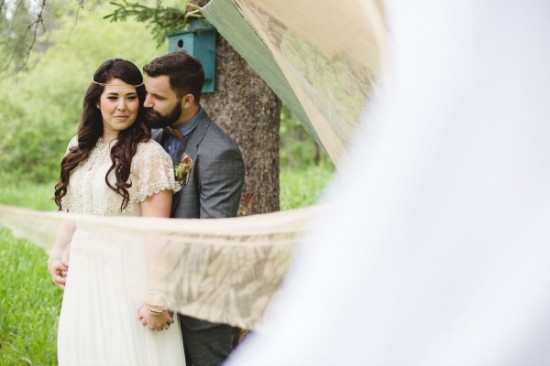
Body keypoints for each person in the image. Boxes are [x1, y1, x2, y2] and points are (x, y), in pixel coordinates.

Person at [48, 58, 186, 365]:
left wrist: (156, 297)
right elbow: (74, 207)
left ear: (140, 101)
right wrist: (57, 252)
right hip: (85, 276)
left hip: (129, 276)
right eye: (113, 97)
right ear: (97, 101)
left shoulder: (150, 155)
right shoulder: (79, 147)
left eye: (130, 97)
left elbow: (157, 233)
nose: (122, 106)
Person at [142, 51, 245, 366]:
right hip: (152, 294)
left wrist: (166, 295)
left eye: (158, 97)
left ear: (187, 100)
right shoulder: (153, 135)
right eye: (147, 92)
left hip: (201, 306)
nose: (146, 103)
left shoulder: (219, 153)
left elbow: (209, 243)